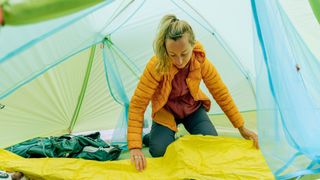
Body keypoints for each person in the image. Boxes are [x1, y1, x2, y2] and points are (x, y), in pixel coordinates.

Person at [127, 14, 259, 172]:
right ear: (165, 49)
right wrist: (135, 146)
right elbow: (138, 103)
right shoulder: (156, 65)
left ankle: (172, 135)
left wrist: (241, 127)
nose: (179, 61)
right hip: (166, 114)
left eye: (184, 54)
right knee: (160, 152)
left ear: (192, 45)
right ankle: (153, 137)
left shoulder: (201, 61)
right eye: (172, 55)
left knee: (211, 144)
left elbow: (221, 93)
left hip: (192, 110)